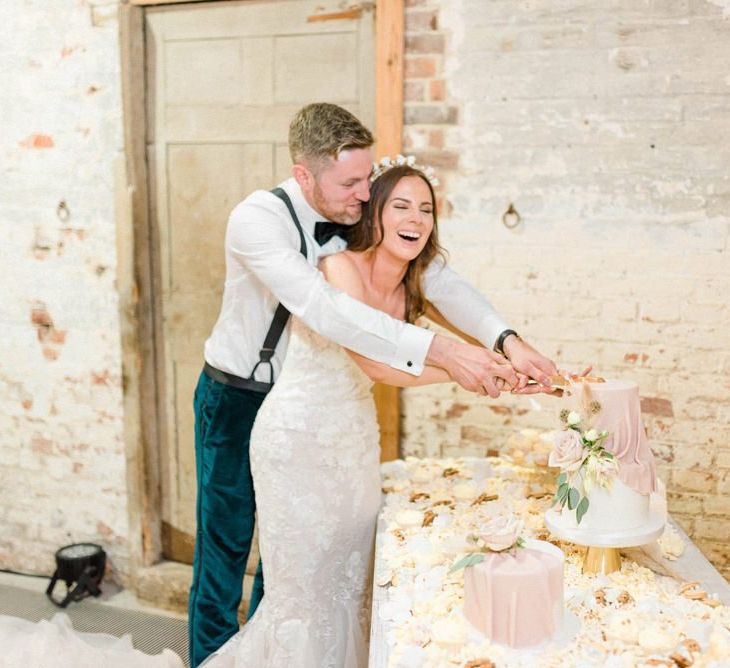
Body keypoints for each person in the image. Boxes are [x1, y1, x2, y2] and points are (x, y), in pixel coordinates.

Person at [188, 103, 558, 667]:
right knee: (226, 544)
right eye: (352, 182)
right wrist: (447, 353)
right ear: (305, 174)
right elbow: (324, 309)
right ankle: (209, 658)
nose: (365, 193)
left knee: (290, 563)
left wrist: (505, 341)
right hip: (239, 393)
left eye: (367, 179)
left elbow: (441, 281)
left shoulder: (361, 218)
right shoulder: (257, 220)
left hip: (322, 408)